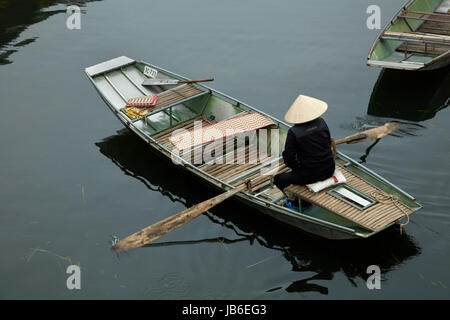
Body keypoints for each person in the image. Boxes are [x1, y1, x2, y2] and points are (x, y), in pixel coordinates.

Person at [274, 95, 335, 210]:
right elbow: (328, 143)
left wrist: (296, 168)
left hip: (310, 175)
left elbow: (288, 158)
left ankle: (295, 201)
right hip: (329, 169)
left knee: (278, 179)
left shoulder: (294, 132)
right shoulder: (322, 122)